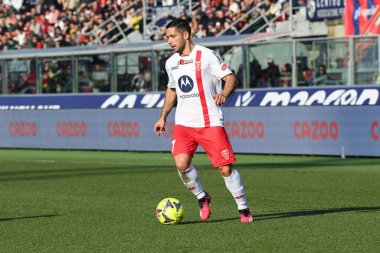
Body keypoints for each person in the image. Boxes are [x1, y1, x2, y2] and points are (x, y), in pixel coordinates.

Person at [153, 18, 253, 223]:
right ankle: (202, 196)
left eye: (172, 36)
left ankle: (243, 209)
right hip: (183, 123)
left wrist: (224, 93)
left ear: (186, 35)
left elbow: (231, 77)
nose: (169, 41)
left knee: (225, 169)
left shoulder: (206, 56)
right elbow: (172, 89)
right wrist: (163, 116)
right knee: (181, 164)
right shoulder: (171, 62)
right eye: (167, 37)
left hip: (210, 122)